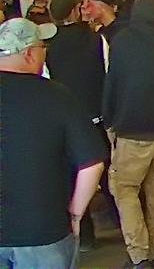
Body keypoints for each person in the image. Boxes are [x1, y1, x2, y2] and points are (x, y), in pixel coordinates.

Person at [0, 19, 106, 269]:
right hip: (45, 230)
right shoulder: (58, 96)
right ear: (29, 54)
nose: (45, 53)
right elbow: (91, 164)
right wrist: (75, 214)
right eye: (42, 47)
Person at [104, 0, 154, 268]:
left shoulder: (122, 41)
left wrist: (109, 120)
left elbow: (112, 83)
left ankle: (138, 254)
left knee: (125, 190)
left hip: (131, 129)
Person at [45, 0, 117, 251]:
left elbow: (47, 84)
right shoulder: (97, 40)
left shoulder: (49, 48)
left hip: (65, 121)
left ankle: (85, 235)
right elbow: (109, 76)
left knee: (75, 178)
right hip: (97, 117)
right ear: (75, 11)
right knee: (110, 175)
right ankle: (124, 220)